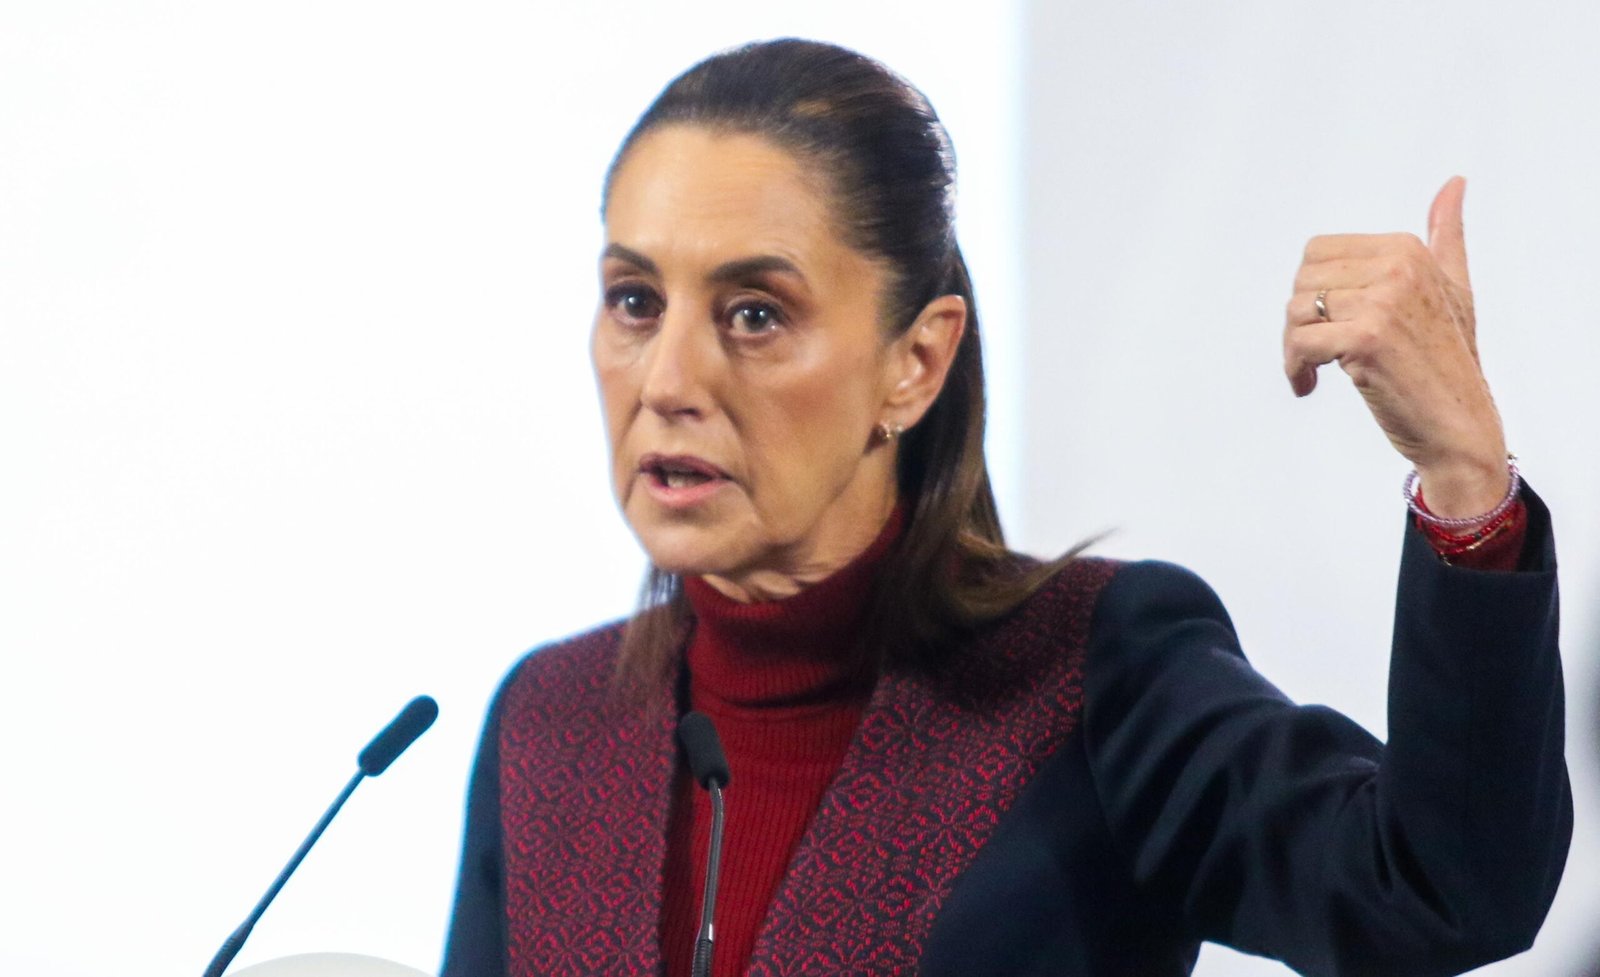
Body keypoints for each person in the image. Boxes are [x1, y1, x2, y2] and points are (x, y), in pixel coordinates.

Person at [440, 38, 1570, 977]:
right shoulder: (549, 723)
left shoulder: (1089, 677)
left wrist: (1464, 476)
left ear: (915, 363)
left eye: (754, 313)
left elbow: (1440, 891)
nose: (668, 379)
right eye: (634, 300)